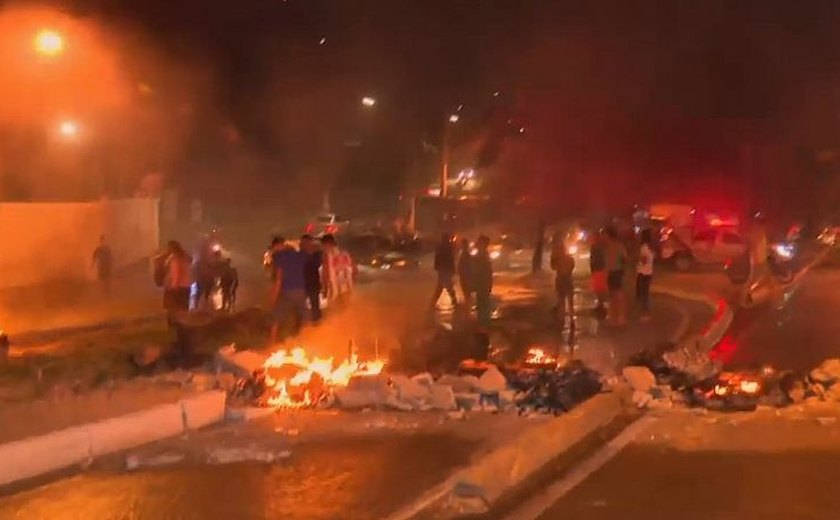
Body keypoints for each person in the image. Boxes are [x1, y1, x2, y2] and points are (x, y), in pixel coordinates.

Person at [269, 236, 307, 345]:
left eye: (274, 247)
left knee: (275, 316)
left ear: (278, 245)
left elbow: (279, 279)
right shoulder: (298, 254)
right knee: (304, 317)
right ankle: (305, 341)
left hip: (287, 291)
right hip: (301, 290)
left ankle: (272, 342)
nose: (273, 250)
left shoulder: (278, 257)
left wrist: (273, 296)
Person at [161, 241, 192, 323]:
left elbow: (176, 273)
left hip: (177, 287)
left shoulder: (175, 259)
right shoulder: (185, 258)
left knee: (173, 308)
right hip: (186, 287)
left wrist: (173, 286)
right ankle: (185, 325)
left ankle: (175, 325)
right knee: (184, 308)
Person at [321, 234, 356, 306]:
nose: (323, 247)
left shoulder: (327, 255)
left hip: (334, 290)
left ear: (327, 244)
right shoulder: (345, 253)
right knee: (346, 311)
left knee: (335, 312)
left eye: (323, 245)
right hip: (346, 288)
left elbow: (325, 273)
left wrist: (324, 289)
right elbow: (355, 269)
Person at [550, 232, 575, 327]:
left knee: (561, 300)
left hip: (560, 278)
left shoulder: (555, 254)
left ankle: (562, 320)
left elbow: (553, 267)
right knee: (570, 300)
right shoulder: (568, 255)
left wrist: (559, 266)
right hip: (568, 278)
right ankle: (572, 320)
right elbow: (572, 265)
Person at [604, 225, 628, 326]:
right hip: (610, 273)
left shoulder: (618, 246)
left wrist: (622, 270)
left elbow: (625, 259)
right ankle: (613, 318)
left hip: (616, 272)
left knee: (618, 295)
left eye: (605, 234)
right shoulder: (608, 246)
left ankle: (621, 318)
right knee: (612, 295)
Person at [431, 233, 458, 309]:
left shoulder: (440, 247)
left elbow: (437, 259)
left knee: (441, 286)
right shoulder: (448, 247)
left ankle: (433, 303)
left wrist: (437, 267)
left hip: (442, 269)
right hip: (446, 269)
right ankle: (454, 301)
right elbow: (451, 259)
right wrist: (453, 269)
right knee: (448, 286)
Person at [300, 234, 323, 323]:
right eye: (302, 243)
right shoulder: (300, 254)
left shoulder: (316, 254)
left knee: (315, 304)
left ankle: (317, 322)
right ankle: (302, 324)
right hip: (302, 284)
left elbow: (317, 265)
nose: (303, 245)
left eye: (305, 243)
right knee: (301, 305)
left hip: (313, 283)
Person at [472, 235, 494, 329]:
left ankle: (483, 322)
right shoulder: (482, 255)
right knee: (483, 302)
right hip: (482, 282)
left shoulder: (482, 254)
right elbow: (483, 270)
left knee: (482, 302)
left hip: (482, 282)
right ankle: (484, 323)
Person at [636, 229, 655, 320]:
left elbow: (643, 260)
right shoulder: (651, 247)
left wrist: (638, 258)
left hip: (642, 273)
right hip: (649, 272)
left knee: (643, 294)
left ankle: (645, 314)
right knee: (645, 293)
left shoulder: (644, 247)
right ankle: (646, 312)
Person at [589, 229, 608, 319]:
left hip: (599, 269)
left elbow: (595, 259)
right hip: (598, 269)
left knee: (599, 288)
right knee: (598, 288)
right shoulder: (598, 246)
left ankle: (601, 304)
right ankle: (600, 304)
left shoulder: (598, 247)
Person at [457, 238, 473, 306]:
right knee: (465, 288)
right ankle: (468, 301)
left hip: (465, 274)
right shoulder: (464, 252)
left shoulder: (465, 253)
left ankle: (468, 302)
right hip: (465, 273)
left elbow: (465, 264)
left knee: (465, 288)